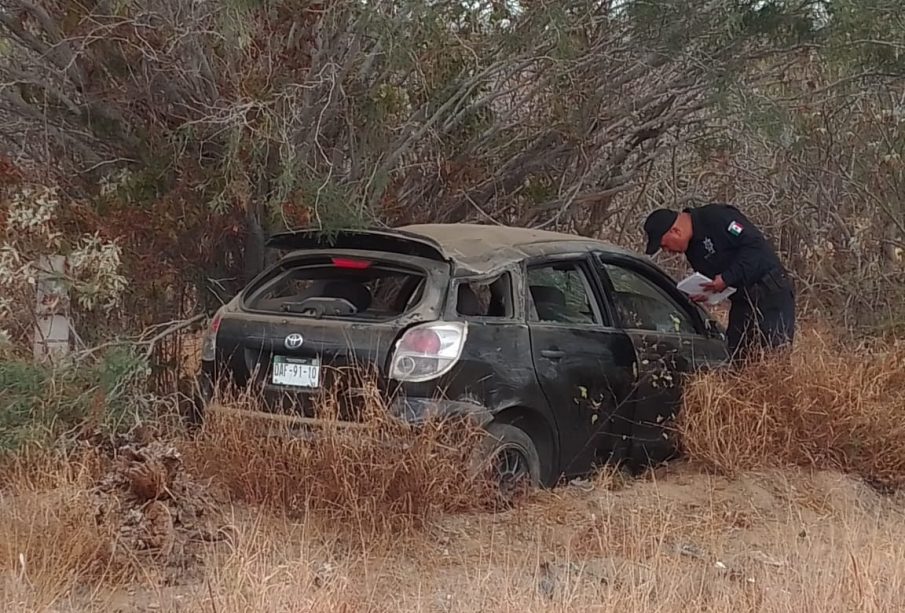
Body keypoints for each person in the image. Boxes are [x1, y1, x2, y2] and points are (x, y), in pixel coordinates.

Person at [642, 202, 796, 363]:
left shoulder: (717, 217)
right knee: (736, 359)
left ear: (675, 231)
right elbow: (716, 279)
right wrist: (707, 292)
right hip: (742, 302)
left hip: (771, 293)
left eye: (664, 245)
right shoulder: (693, 251)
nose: (668, 251)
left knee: (773, 358)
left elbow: (754, 246)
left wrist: (727, 278)